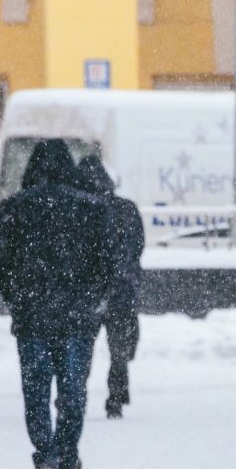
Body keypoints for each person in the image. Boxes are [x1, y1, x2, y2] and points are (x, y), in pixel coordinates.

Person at [0, 140, 116, 469]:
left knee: (36, 387)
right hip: (76, 317)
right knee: (73, 389)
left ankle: (45, 455)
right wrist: (91, 298)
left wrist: (16, 296)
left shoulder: (14, 208)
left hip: (31, 316)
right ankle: (68, 454)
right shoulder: (92, 209)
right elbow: (109, 264)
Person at [77, 156, 144, 419]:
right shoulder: (126, 209)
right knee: (119, 351)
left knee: (82, 349)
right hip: (123, 291)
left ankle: (74, 396)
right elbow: (138, 248)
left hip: (88, 293)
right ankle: (115, 398)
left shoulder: (81, 210)